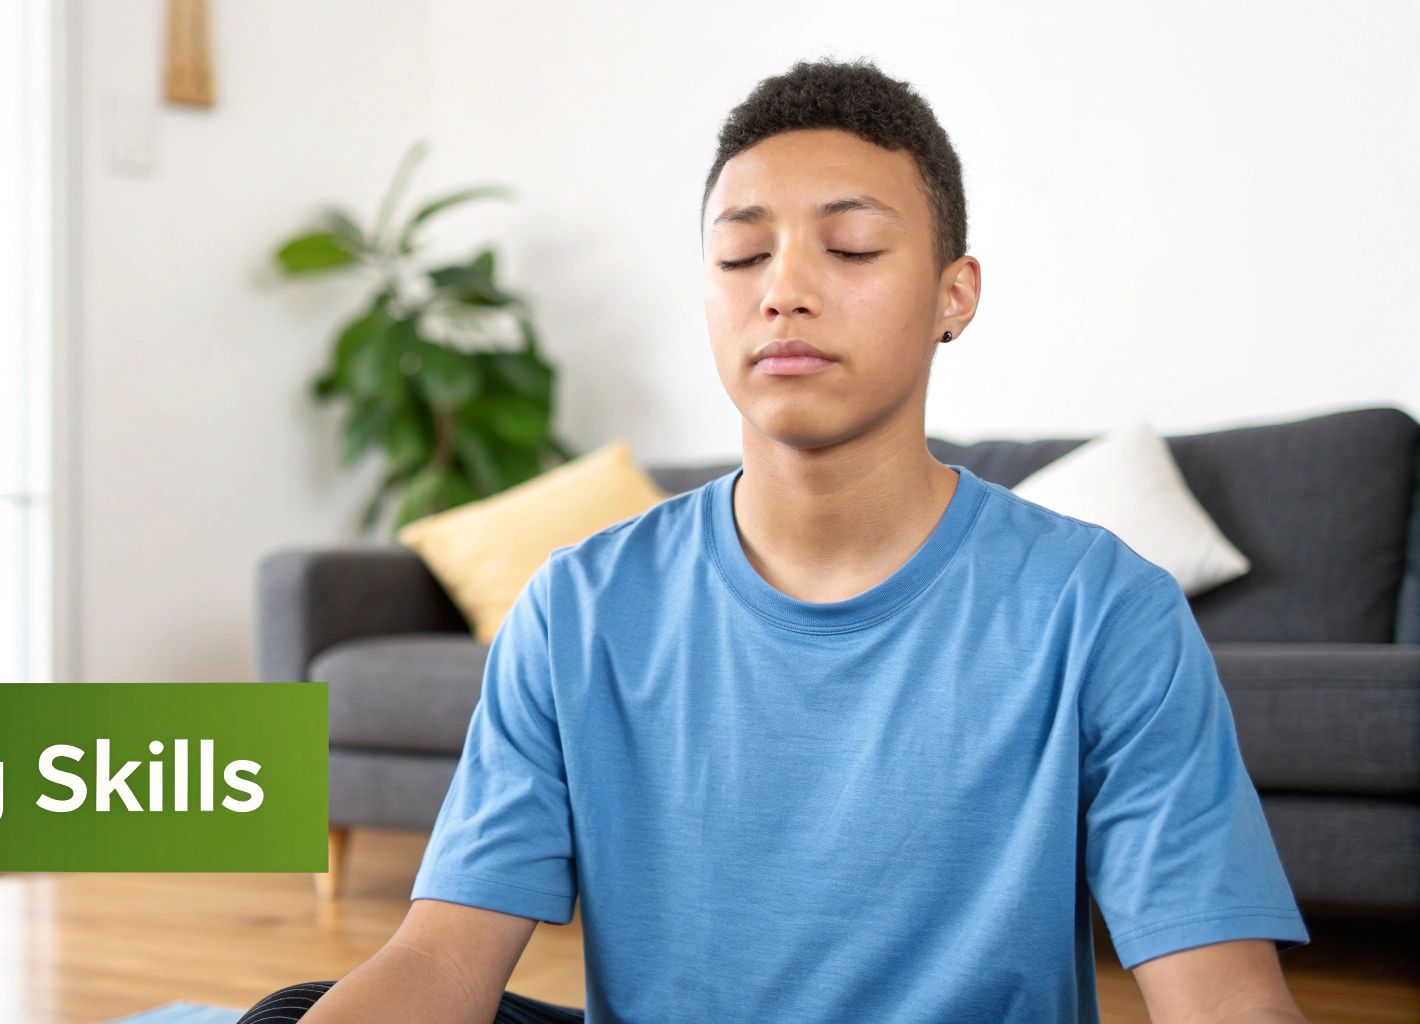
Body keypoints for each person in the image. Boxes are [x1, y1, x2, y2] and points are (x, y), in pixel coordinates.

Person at [243, 56, 1311, 1023]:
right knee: (302, 1009)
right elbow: (441, 958)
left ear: (954, 294)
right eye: (741, 254)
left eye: (847, 247)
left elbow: (1222, 1000)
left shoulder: (1101, 608)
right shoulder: (577, 605)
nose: (783, 291)